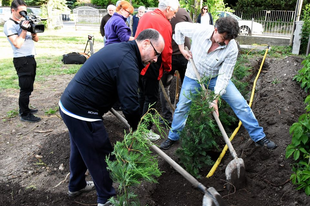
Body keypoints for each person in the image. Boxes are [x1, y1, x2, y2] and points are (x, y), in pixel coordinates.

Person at [59, 29, 165, 206]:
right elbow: (130, 104)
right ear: (146, 43)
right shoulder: (128, 62)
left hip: (70, 105)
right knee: (100, 154)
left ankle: (76, 185)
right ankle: (106, 199)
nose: (155, 59)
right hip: (82, 111)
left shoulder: (124, 50)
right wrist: (136, 129)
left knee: (80, 149)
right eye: (156, 53)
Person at [160, 17, 278, 150]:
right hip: (193, 75)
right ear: (216, 30)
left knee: (240, 103)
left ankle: (259, 137)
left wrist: (215, 98)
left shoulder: (231, 48)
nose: (227, 42)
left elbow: (225, 75)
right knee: (182, 106)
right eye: (224, 38)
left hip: (216, 77)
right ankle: (173, 136)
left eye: (230, 39)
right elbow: (180, 27)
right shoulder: (200, 30)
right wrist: (181, 49)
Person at [134, 0, 179, 125]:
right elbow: (166, 49)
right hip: (151, 62)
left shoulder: (146, 16)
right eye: (174, 12)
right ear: (168, 9)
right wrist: (167, 67)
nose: (174, 15)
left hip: (138, 60)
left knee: (141, 94)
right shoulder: (164, 23)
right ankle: (145, 129)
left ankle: (136, 125)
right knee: (151, 98)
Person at [3, 0, 41, 123]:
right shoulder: (10, 25)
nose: (23, 14)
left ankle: (26, 108)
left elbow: (36, 39)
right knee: (25, 88)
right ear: (13, 10)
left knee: (29, 87)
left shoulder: (23, 22)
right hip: (21, 59)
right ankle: (24, 114)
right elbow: (17, 44)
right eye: (21, 11)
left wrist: (33, 29)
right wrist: (24, 30)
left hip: (30, 57)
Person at [159, 7, 192, 126]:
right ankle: (184, 117)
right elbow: (191, 28)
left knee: (164, 87)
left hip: (169, 54)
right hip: (184, 55)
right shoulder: (183, 12)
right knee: (188, 86)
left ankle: (167, 117)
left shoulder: (162, 14)